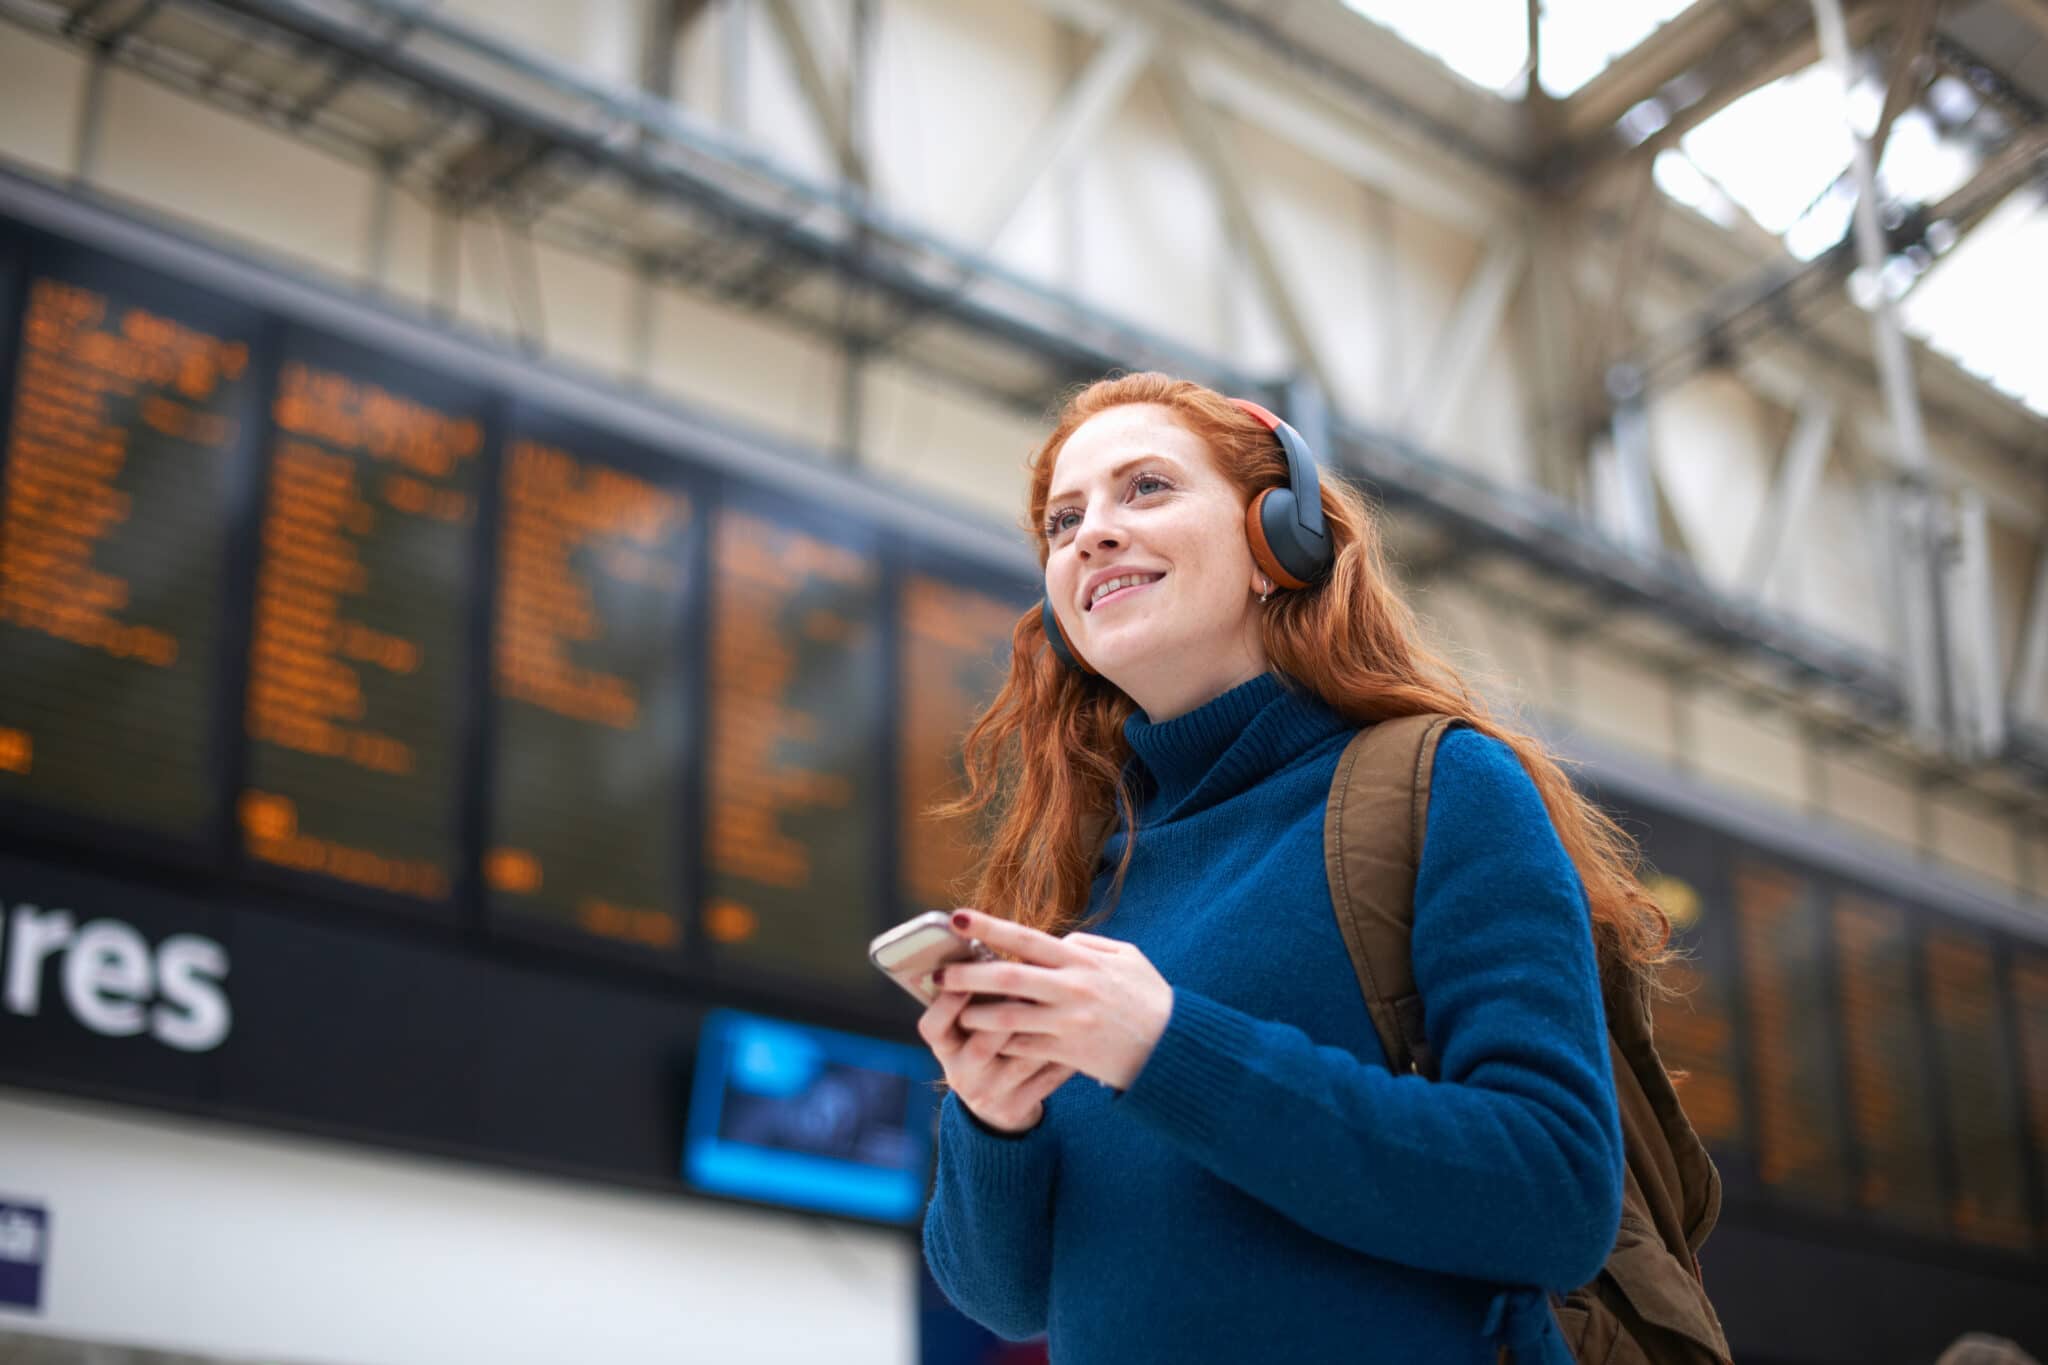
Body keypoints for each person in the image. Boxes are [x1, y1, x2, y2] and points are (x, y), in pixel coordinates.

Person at [917, 372, 1672, 1364]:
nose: (1091, 532)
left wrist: (1165, 1045)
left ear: (1280, 541)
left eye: (1143, 488)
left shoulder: (1440, 785)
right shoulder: (1091, 889)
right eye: (1063, 522)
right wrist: (990, 1118)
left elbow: (1554, 1197)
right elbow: (1005, 1298)